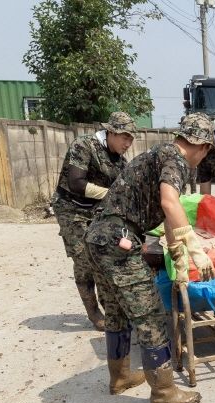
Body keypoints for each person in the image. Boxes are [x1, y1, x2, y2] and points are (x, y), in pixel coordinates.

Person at [84, 113, 215, 403]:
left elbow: (170, 213)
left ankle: (119, 378)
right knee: (152, 316)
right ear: (204, 146)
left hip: (98, 239)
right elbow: (170, 202)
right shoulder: (176, 159)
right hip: (117, 243)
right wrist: (195, 247)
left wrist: (179, 258)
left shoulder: (160, 154)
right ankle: (164, 392)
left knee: (117, 312)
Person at [51, 111, 136, 331]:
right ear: (110, 132)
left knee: (103, 256)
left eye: (131, 138)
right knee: (84, 260)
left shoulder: (120, 162)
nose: (128, 143)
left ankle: (110, 309)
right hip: (71, 208)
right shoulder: (84, 146)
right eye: (124, 136)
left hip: (96, 211)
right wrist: (110, 194)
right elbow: (76, 183)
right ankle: (94, 313)